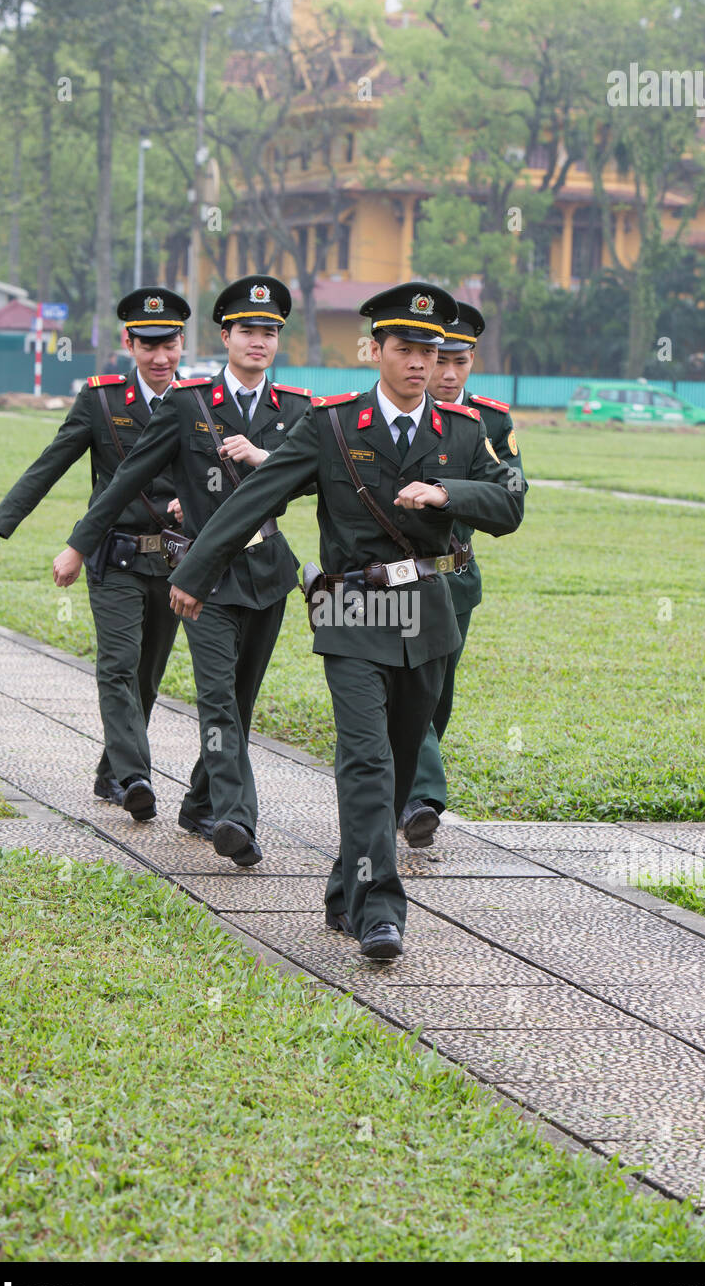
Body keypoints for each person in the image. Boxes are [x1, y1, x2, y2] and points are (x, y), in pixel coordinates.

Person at [165, 281, 526, 958]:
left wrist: (450, 492)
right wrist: (194, 571)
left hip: (426, 612)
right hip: (351, 605)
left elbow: (509, 508)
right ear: (377, 350)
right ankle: (379, 910)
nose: (421, 361)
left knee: (395, 766)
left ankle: (347, 885)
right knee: (365, 760)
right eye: (407, 347)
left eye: (432, 349)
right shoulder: (331, 426)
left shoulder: (464, 432)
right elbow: (257, 500)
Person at [54, 275, 311, 867]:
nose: (259, 341)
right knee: (217, 698)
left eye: (270, 332)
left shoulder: (296, 408)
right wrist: (78, 544)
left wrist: (265, 458)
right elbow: (129, 476)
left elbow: (319, 481)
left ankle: (198, 804)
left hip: (267, 568)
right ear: (225, 335)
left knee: (242, 701)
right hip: (203, 572)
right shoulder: (189, 402)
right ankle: (234, 815)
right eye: (248, 330)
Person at [0, 286, 191, 821]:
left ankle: (109, 772)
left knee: (147, 675)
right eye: (148, 345)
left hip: (172, 560)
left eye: (170, 344)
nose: (160, 357)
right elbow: (51, 464)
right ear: (129, 343)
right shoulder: (102, 399)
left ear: (183, 342)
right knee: (117, 664)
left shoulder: (199, 400)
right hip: (113, 555)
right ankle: (136, 775)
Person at [399, 302, 527, 847]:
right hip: (397, 579)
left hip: (456, 578)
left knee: (438, 696)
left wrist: (450, 495)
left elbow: (512, 496)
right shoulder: (395, 410)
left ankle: (404, 789)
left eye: (460, 362)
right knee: (410, 690)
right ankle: (421, 797)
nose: (448, 375)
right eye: (438, 360)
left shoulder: (489, 421)